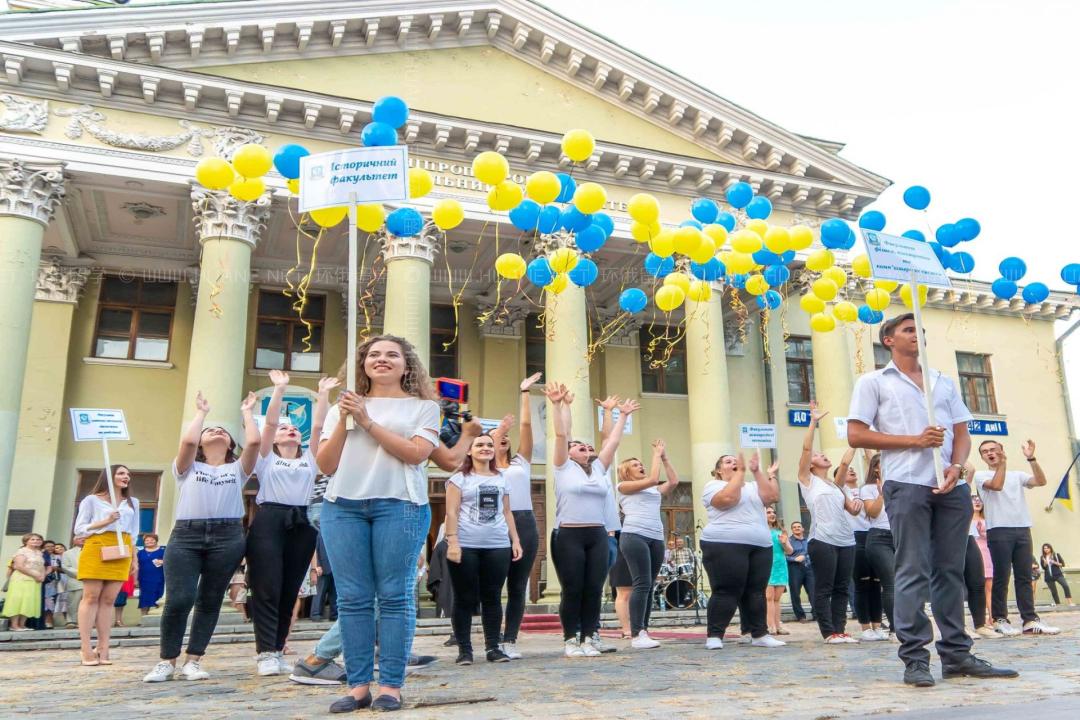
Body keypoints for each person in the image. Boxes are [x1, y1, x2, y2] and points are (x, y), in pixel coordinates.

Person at [848, 312, 1016, 687]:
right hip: (906, 484)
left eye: (920, 331)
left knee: (950, 571)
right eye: (909, 331)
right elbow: (856, 435)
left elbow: (961, 432)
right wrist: (914, 441)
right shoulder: (874, 381)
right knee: (911, 569)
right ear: (889, 339)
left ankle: (956, 654)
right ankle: (915, 659)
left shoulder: (942, 381)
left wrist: (957, 466)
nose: (916, 335)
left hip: (950, 487)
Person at [288, 424, 480, 688]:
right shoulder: (379, 412)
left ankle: (387, 649)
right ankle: (317, 659)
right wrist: (468, 434)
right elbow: (448, 459)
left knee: (393, 589)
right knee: (377, 594)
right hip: (352, 503)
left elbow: (444, 458)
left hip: (383, 505)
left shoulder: (410, 412)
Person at [315, 335, 440, 713]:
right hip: (343, 506)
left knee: (395, 596)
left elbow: (416, 454)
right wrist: (347, 419)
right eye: (373, 354)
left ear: (407, 365)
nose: (381, 359)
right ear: (362, 363)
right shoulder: (345, 407)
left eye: (391, 354)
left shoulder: (424, 407)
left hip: (400, 506)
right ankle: (357, 686)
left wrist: (367, 422)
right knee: (352, 599)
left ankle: (390, 685)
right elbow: (325, 464)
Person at [143, 391, 259, 683]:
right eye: (210, 431)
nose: (216, 432)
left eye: (223, 431)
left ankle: (193, 660)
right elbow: (188, 442)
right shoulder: (188, 467)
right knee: (180, 598)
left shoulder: (238, 469)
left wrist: (247, 411)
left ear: (232, 444)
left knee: (209, 600)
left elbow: (255, 442)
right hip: (186, 535)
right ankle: (166, 661)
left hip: (228, 535)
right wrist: (201, 414)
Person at [246, 370, 336, 677]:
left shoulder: (310, 459)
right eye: (285, 429)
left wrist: (323, 393)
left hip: (302, 519)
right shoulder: (265, 458)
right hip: (270, 518)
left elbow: (320, 425)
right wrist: (279, 389)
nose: (289, 430)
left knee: (289, 589)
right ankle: (265, 653)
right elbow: (269, 424)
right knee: (267, 587)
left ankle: (279, 646)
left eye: (294, 429)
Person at [544, 381, 637, 658]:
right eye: (580, 448)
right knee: (573, 588)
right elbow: (561, 435)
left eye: (588, 448)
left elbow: (613, 442)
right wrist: (558, 404)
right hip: (569, 535)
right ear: (570, 453)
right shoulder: (562, 468)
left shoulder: (598, 469)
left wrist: (623, 415)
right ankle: (570, 639)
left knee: (594, 588)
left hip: (596, 534)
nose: (586, 450)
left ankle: (588, 637)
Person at [444, 433, 523, 665]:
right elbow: (452, 512)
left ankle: (493, 647)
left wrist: (515, 540)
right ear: (469, 451)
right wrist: (453, 541)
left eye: (489, 445)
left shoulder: (502, 479)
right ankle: (465, 651)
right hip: (466, 544)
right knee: (464, 598)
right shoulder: (459, 479)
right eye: (479, 445)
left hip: (497, 545)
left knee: (493, 597)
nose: (485, 448)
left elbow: (507, 512)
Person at [699, 452, 785, 650]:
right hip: (724, 543)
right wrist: (741, 472)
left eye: (736, 462)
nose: (734, 464)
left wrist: (757, 472)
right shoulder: (714, 486)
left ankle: (759, 634)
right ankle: (715, 635)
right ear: (719, 470)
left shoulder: (753, 486)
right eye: (728, 462)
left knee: (756, 592)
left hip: (760, 544)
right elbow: (729, 499)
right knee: (727, 590)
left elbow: (772, 497)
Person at [973, 439, 1059, 635]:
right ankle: (999, 619)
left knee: (1024, 577)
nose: (990, 453)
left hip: (1021, 528)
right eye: (985, 452)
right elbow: (996, 485)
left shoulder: (1017, 475)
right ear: (982, 457)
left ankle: (1029, 619)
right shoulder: (981, 475)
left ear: (1002, 450)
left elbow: (1040, 481)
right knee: (1002, 576)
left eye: (993, 449)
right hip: (998, 529)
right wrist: (1002, 464)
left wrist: (1031, 458)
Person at [488, 371, 542, 660]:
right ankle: (492, 639)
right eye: (498, 437)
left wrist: (524, 392)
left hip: (524, 522)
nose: (504, 438)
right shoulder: (483, 470)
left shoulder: (522, 461)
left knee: (518, 585)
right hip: (494, 524)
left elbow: (525, 425)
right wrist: (495, 431)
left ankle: (510, 640)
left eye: (505, 437)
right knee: (494, 586)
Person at [798, 405, 861, 644]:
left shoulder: (835, 486)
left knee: (842, 588)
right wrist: (813, 422)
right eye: (817, 455)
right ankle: (828, 632)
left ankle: (840, 630)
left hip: (846, 540)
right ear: (811, 465)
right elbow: (805, 448)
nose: (821, 454)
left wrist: (858, 436)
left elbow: (851, 508)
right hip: (822, 540)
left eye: (822, 453)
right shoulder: (807, 480)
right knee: (824, 588)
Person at [615, 438, 680, 649]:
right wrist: (655, 455)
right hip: (634, 536)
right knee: (641, 584)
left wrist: (665, 457)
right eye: (635, 465)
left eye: (640, 463)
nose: (640, 466)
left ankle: (644, 629)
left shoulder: (653, 489)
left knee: (650, 586)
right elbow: (654, 478)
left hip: (655, 537)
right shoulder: (623, 486)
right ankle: (636, 633)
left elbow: (673, 482)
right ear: (626, 472)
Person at [74, 464, 140, 665]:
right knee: (91, 596)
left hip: (123, 547)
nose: (126, 476)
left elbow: (134, 532)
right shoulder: (92, 500)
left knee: (109, 599)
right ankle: (85, 649)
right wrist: (105, 521)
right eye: (121, 473)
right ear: (109, 476)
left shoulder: (132, 502)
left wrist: (134, 558)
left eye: (128, 474)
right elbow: (80, 529)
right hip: (96, 545)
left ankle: (104, 647)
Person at [859, 453, 895, 641]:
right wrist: (882, 493)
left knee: (907, 583)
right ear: (876, 468)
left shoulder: (901, 484)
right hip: (880, 537)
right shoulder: (868, 488)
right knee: (891, 582)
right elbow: (872, 512)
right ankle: (895, 629)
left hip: (901, 536)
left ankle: (909, 625)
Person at [2, 533, 46, 631]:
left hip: (34, 581)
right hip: (21, 579)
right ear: (26, 541)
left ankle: (22, 624)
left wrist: (42, 576)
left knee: (28, 601)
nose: (36, 541)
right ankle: (14, 625)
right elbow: (18, 566)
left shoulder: (39, 553)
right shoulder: (22, 551)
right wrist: (35, 575)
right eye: (33, 539)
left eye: (38, 539)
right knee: (18, 601)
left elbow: (42, 566)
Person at [765, 507, 792, 636]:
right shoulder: (761, 530)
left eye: (773, 512)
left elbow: (790, 551)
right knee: (768, 597)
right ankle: (770, 626)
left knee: (777, 598)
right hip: (766, 565)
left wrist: (785, 543)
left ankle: (778, 626)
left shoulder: (781, 531)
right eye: (768, 512)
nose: (772, 514)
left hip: (780, 566)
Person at [971, 494, 994, 625]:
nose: (977, 502)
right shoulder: (967, 519)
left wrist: (983, 532)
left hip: (987, 553)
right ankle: (980, 618)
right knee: (976, 587)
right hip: (974, 553)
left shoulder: (987, 519)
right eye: (974, 499)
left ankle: (992, 617)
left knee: (989, 587)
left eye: (979, 500)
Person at [785, 521, 814, 622]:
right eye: (794, 527)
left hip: (809, 568)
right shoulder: (788, 541)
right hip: (794, 568)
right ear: (792, 530)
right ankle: (800, 616)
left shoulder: (809, 541)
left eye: (799, 527)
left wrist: (806, 556)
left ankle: (816, 614)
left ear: (802, 529)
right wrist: (794, 559)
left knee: (813, 592)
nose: (797, 528)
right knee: (795, 593)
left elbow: (813, 552)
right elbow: (783, 556)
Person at [137, 534, 166, 615]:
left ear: (156, 540)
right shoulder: (140, 553)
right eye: (147, 540)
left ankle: (158, 617)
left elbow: (171, 562)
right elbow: (137, 565)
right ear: (144, 542)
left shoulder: (163, 551)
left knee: (158, 597)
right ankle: (143, 618)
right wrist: (136, 579)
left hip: (159, 578)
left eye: (152, 539)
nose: (149, 541)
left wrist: (163, 562)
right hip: (144, 579)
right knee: (144, 598)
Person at [60, 538, 84, 629]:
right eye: (80, 538)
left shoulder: (93, 551)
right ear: (74, 541)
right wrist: (82, 574)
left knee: (90, 603)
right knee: (74, 602)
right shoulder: (68, 553)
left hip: (93, 581)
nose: (83, 539)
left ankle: (85, 621)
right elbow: (66, 567)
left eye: (85, 537)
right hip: (76, 580)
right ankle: (71, 621)